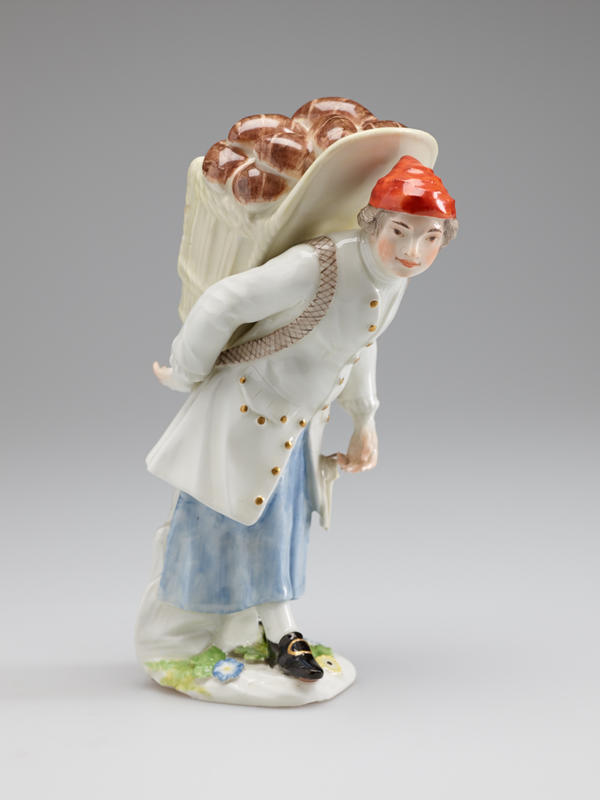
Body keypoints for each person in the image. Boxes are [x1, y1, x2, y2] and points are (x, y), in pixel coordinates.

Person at [144, 155, 458, 682]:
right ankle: (193, 633)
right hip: (245, 411)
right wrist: (185, 371)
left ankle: (266, 630)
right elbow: (225, 301)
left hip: (297, 423)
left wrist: (364, 418)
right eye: (400, 232)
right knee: (217, 522)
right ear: (372, 223)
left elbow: (361, 343)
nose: (413, 252)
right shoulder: (320, 264)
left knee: (283, 526)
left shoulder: (392, 277)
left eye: (430, 238)